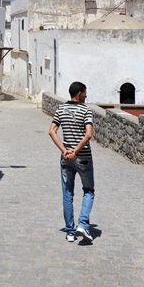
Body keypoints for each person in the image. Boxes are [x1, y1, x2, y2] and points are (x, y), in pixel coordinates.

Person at [49, 81, 94, 243]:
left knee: (67, 193)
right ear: (80, 93)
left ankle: (70, 231)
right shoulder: (85, 110)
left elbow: (52, 131)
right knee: (88, 190)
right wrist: (76, 151)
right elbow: (88, 134)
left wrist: (65, 150)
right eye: (85, 93)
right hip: (83, 157)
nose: (86, 95)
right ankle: (82, 224)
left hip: (66, 158)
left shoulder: (60, 109)